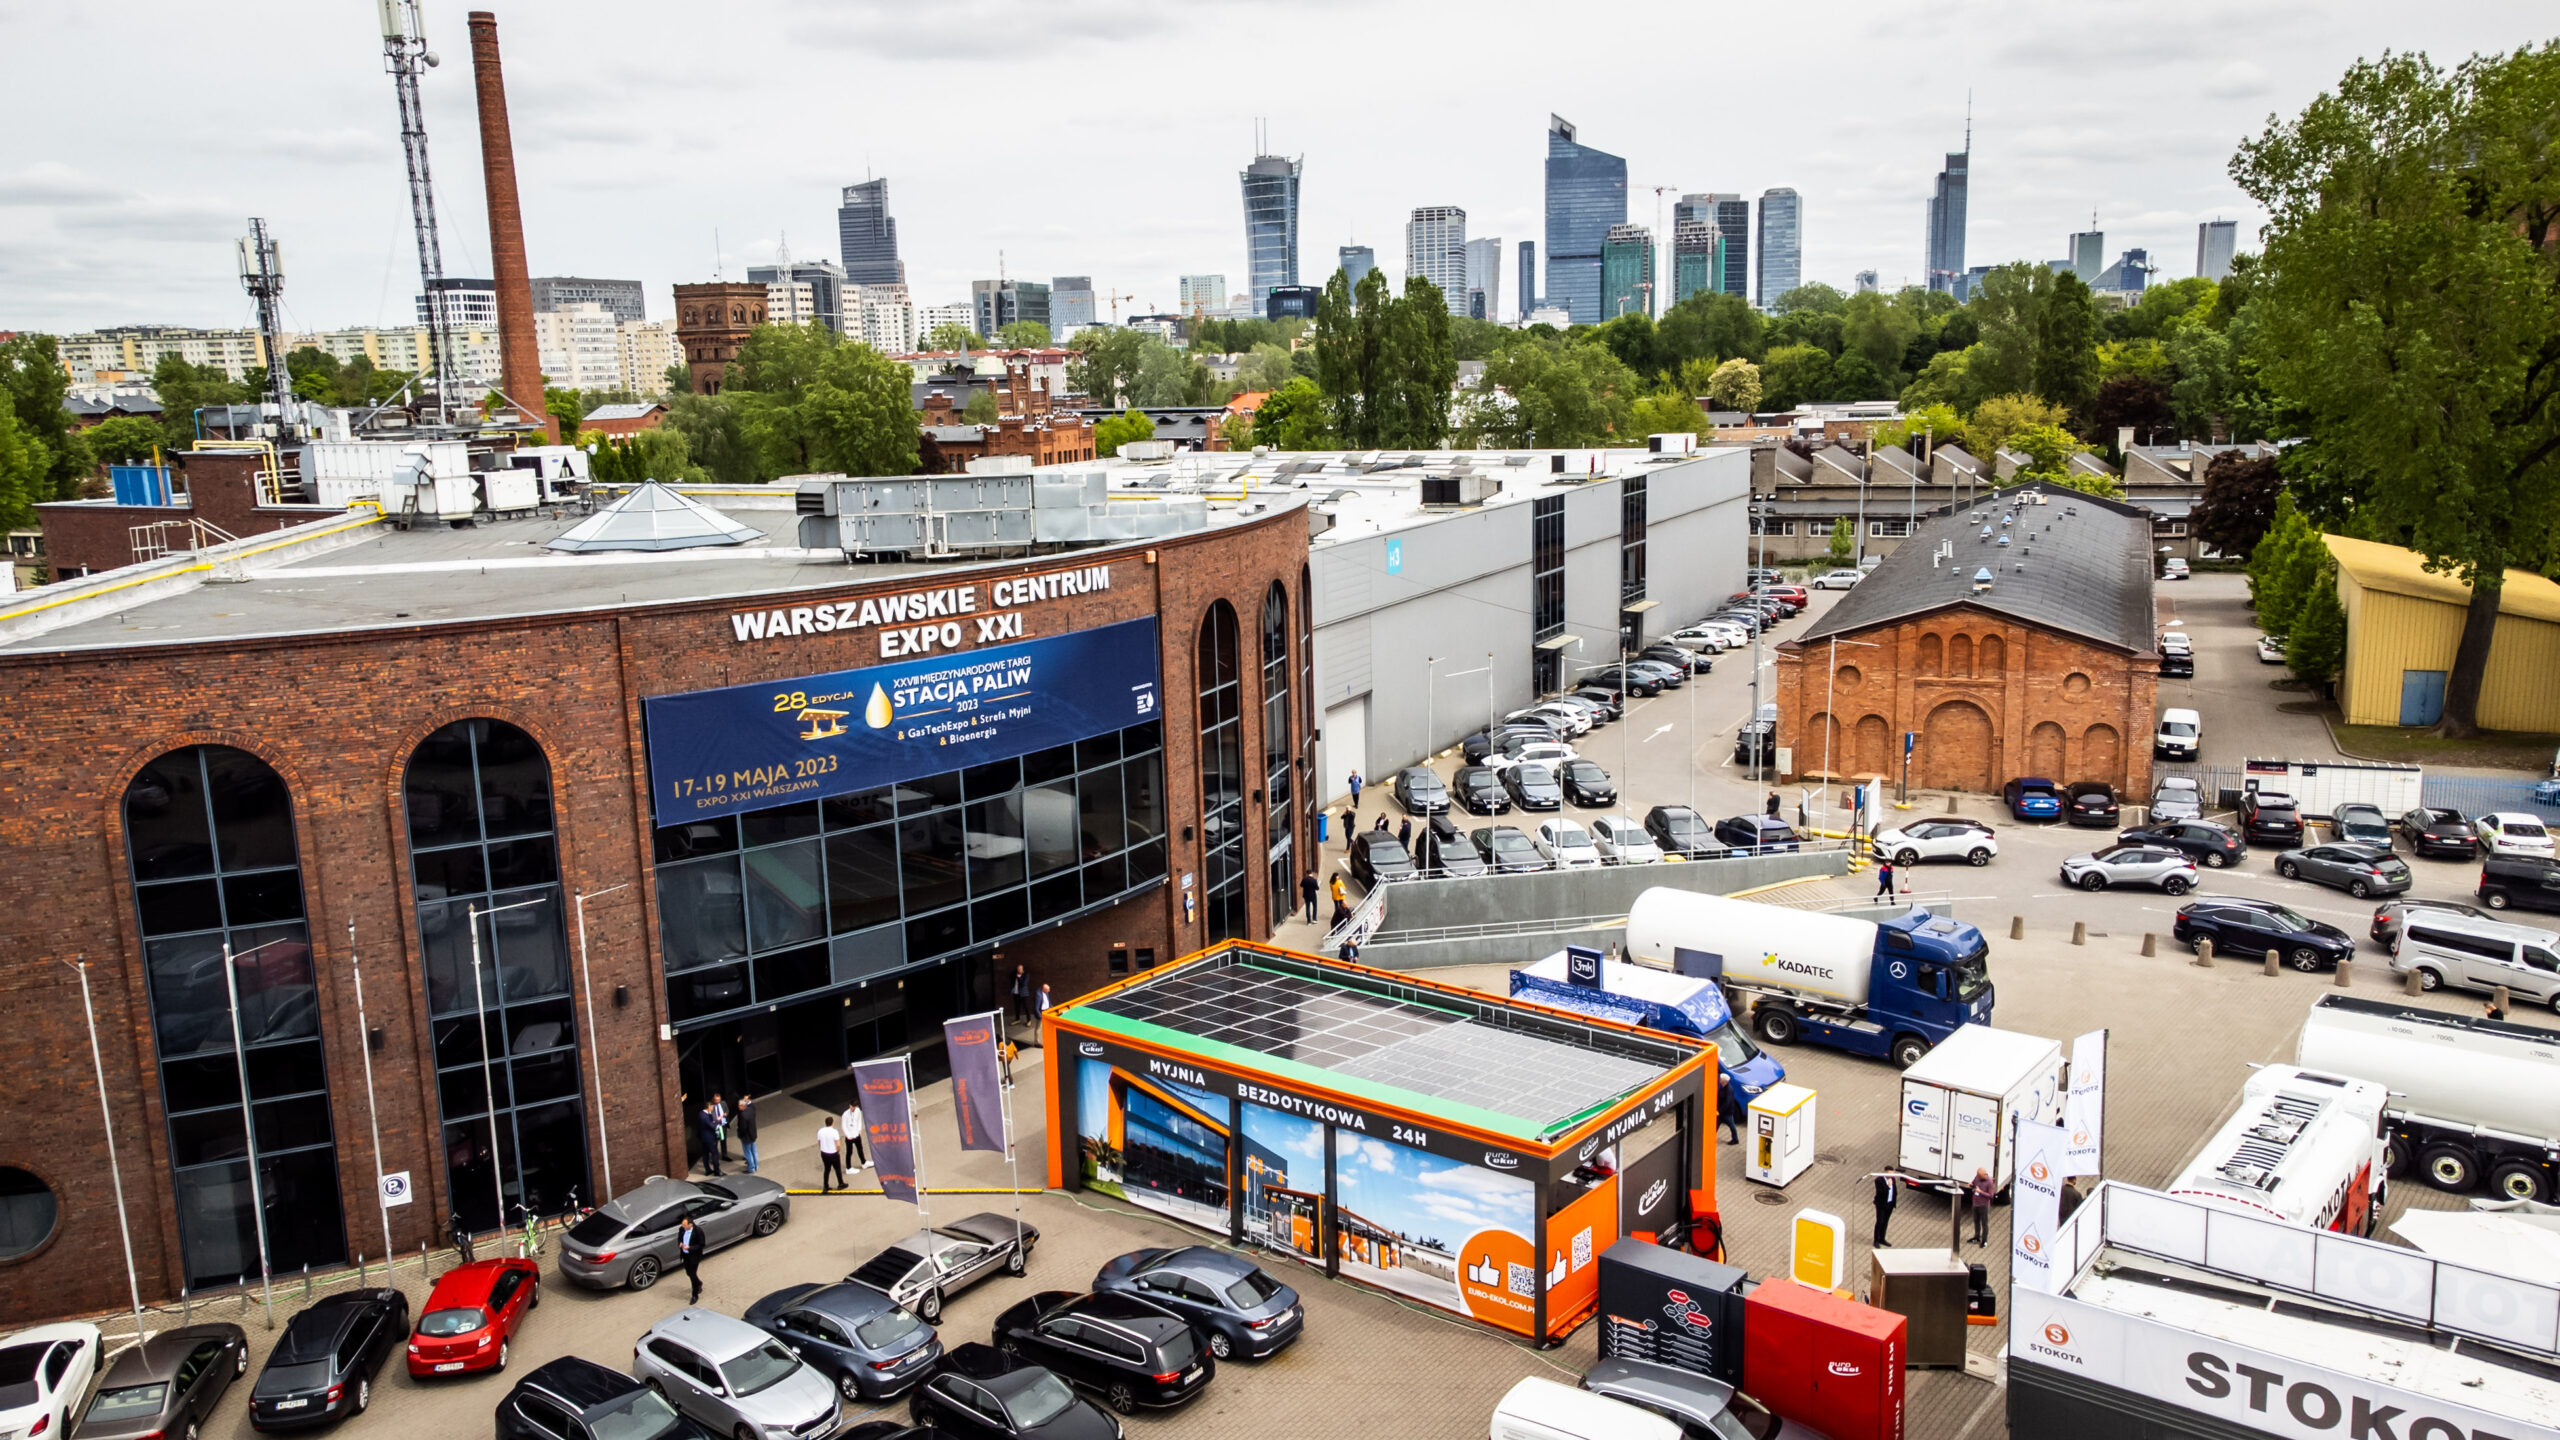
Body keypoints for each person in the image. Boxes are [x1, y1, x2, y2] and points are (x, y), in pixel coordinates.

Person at [676, 1213, 704, 1302]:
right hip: (685, 1255)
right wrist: (680, 1243)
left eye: (685, 1225)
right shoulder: (682, 1229)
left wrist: (690, 1248)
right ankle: (699, 1283)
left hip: (694, 1257)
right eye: (683, 1225)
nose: (683, 1227)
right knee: (689, 1273)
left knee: (692, 1275)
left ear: (690, 1224)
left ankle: (694, 1295)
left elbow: (701, 1245)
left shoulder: (698, 1231)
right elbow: (679, 1238)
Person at [816, 1117, 845, 1193]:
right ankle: (840, 1184)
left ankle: (825, 1186)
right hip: (833, 1153)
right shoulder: (834, 1132)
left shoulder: (820, 1131)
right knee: (837, 1169)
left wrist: (822, 1149)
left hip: (824, 1153)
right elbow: (838, 1144)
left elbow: (819, 1142)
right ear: (832, 1123)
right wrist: (838, 1151)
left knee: (827, 1170)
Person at [695, 1101, 724, 1178]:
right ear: (708, 1107)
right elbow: (712, 1126)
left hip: (703, 1138)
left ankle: (707, 1170)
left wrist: (712, 1117)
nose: (713, 1109)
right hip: (709, 1138)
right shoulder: (704, 1116)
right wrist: (718, 1120)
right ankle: (717, 1171)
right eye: (712, 1107)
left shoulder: (702, 1114)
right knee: (714, 1154)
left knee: (705, 1154)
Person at [1872, 1172, 1899, 1248]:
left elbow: (1894, 1191)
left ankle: (1882, 1239)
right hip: (1881, 1204)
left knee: (1885, 1222)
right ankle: (1876, 1240)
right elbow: (1880, 1192)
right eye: (1890, 1173)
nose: (1891, 1175)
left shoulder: (1892, 1179)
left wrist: (1893, 1201)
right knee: (1880, 1221)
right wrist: (1888, 1186)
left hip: (1889, 1204)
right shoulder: (1879, 1180)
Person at [1969, 1168, 1995, 1247]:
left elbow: (1991, 1196)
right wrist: (1971, 1185)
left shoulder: (1989, 1182)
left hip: (1984, 1206)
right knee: (1976, 1221)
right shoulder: (1977, 1177)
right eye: (1977, 1175)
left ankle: (1984, 1241)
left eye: (1979, 1175)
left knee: (1984, 1223)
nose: (1978, 1177)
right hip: (1975, 1204)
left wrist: (1980, 1192)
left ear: (1984, 1174)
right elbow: (1973, 1184)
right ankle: (1976, 1237)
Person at [1716, 1072, 1743, 1144]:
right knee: (1717, 1124)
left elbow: (1727, 1103)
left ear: (1724, 1081)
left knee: (1731, 1125)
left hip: (1726, 1112)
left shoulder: (1728, 1090)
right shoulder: (1723, 1087)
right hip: (1723, 1112)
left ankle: (1735, 1139)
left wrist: (1719, 1111)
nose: (1720, 1080)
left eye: (1721, 1079)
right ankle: (1711, 1136)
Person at [735, 1094, 760, 1174]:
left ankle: (751, 1168)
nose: (738, 1107)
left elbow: (743, 1128)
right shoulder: (751, 1110)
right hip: (752, 1135)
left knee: (748, 1152)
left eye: (739, 1105)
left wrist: (740, 1135)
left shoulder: (742, 1115)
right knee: (754, 1151)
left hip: (746, 1137)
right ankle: (756, 1165)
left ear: (742, 1106)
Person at [842, 1100, 869, 1169]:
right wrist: (848, 1135)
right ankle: (848, 1167)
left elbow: (859, 1120)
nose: (852, 1108)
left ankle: (864, 1163)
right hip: (849, 1136)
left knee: (860, 1149)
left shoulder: (858, 1111)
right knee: (849, 1152)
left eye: (853, 1107)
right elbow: (844, 1126)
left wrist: (859, 1129)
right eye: (851, 1106)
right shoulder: (845, 1114)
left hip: (856, 1134)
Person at [710, 1093, 734, 1162]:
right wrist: (717, 1118)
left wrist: (726, 1114)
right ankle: (714, 1157)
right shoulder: (711, 1106)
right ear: (713, 1100)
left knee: (723, 1140)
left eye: (718, 1100)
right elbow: (711, 1116)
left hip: (723, 1126)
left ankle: (724, 1155)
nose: (717, 1101)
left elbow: (727, 1110)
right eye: (716, 1100)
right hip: (716, 1126)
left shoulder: (723, 1103)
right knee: (715, 1142)